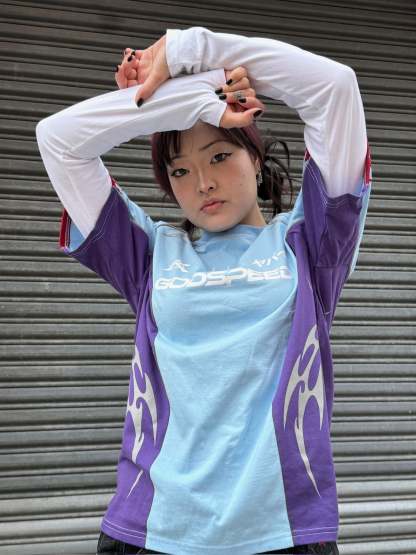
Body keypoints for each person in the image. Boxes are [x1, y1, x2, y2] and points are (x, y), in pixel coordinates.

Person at [35, 25, 372, 555]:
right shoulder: (148, 253)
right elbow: (57, 139)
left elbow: (335, 87)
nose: (203, 184)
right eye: (180, 170)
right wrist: (185, 98)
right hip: (151, 533)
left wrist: (190, 51)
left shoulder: (313, 243)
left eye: (219, 156)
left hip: (283, 534)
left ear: (254, 158)